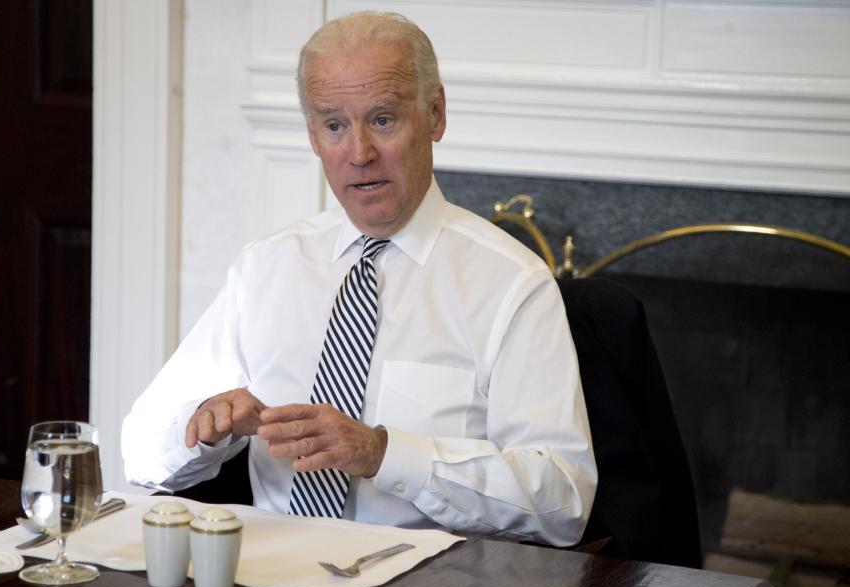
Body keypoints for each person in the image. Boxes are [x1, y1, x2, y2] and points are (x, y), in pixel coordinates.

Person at [122, 11, 596, 546]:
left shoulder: (513, 284)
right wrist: (204, 431)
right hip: (271, 586)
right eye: (334, 126)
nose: (359, 153)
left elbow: (564, 499)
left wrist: (385, 455)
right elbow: (139, 455)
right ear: (312, 136)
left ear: (435, 115)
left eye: (384, 120)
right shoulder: (266, 267)